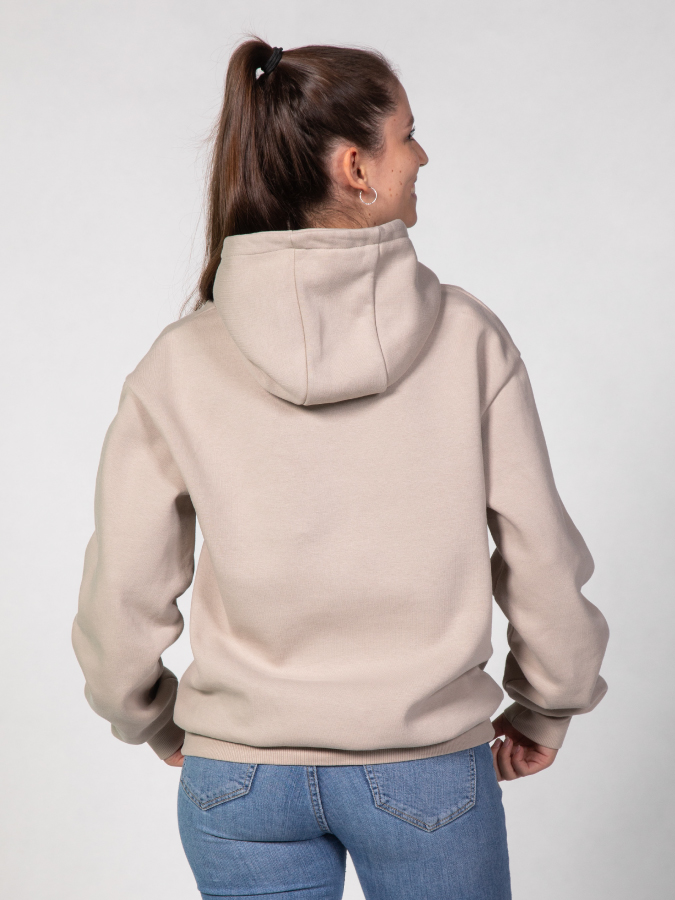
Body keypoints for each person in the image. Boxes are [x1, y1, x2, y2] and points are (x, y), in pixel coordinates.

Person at [72, 37, 609, 900]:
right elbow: (537, 553)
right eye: (408, 135)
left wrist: (150, 717)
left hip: (239, 780)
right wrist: (548, 703)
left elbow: (123, 582)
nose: (422, 156)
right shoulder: (468, 340)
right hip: (424, 769)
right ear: (356, 167)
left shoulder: (180, 359)